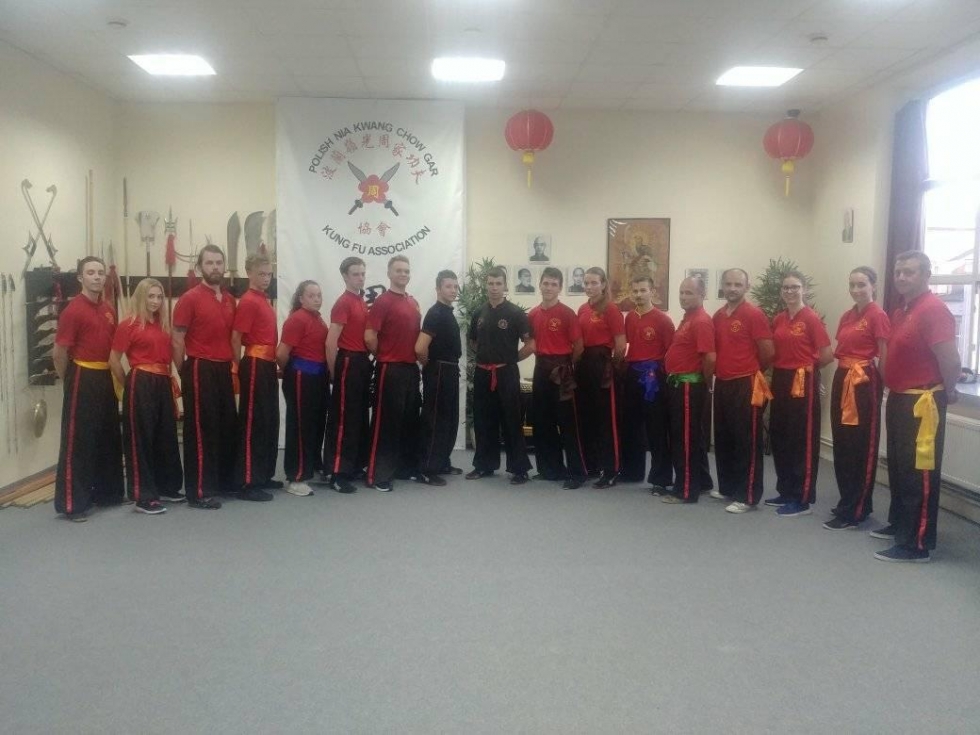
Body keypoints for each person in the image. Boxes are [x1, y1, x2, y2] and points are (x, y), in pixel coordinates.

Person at [873, 252, 960, 563]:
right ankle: (901, 524)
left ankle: (916, 543)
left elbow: (950, 360)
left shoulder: (934, 310)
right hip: (899, 397)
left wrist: (949, 389)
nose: (901, 277)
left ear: (926, 275)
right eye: (898, 272)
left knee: (918, 470)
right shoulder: (902, 310)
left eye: (909, 272)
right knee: (899, 466)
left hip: (923, 401)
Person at [52, 256, 125, 521]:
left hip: (105, 376)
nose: (96, 276)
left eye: (100, 272)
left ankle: (108, 494)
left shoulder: (108, 309)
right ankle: (73, 504)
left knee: (107, 436)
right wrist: (69, 381)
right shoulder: (73, 311)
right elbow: (59, 353)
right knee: (79, 442)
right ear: (80, 278)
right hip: (82, 376)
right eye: (91, 272)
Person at [109, 278, 183, 515]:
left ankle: (167, 486)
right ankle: (143, 497)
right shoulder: (128, 325)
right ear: (141, 297)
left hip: (162, 381)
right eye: (151, 296)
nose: (156, 301)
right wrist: (129, 384)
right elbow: (113, 359)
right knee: (140, 440)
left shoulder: (163, 325)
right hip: (140, 381)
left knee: (166, 435)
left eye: (159, 297)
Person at [172, 244, 237, 509]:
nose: (215, 267)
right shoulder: (189, 299)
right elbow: (177, 340)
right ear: (200, 267)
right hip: (200, 367)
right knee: (202, 430)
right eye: (209, 263)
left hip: (223, 369)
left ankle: (222, 482)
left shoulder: (230, 299)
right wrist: (185, 371)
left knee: (226, 427)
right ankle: (199, 491)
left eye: (219, 262)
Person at [825, 267, 890, 530]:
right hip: (843, 377)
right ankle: (847, 501)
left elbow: (884, 354)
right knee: (842, 443)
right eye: (852, 284)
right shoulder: (847, 315)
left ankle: (857, 509)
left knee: (860, 445)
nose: (856, 290)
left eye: (861, 284)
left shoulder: (878, 315)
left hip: (863, 381)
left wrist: (883, 387)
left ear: (873, 285)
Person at [766, 271, 833, 517]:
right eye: (786, 287)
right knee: (781, 434)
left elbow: (827, 355)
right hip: (781, 378)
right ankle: (786, 491)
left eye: (794, 287)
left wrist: (809, 372)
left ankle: (802, 499)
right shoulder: (779, 319)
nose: (790, 291)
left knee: (801, 439)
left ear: (803, 289)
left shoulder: (811, 318)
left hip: (803, 380)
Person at [711, 268, 774, 513]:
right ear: (722, 286)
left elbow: (767, 352)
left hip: (746, 384)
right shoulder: (718, 316)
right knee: (724, 437)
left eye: (738, 284)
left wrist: (750, 370)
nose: (732, 288)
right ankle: (728, 487)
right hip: (723, 382)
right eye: (728, 284)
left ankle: (747, 496)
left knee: (746, 440)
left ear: (746, 287)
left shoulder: (754, 314)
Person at [467, 266, 535, 484]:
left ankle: (519, 469)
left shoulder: (515, 313)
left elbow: (530, 344)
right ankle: (484, 465)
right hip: (483, 372)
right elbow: (473, 341)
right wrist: (486, 357)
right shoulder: (478, 312)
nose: (494, 287)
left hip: (506, 373)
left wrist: (510, 360)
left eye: (498, 283)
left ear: (505, 286)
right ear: (486, 285)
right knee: (483, 419)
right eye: (490, 283)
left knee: (511, 420)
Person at [365, 255, 426, 491]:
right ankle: (377, 475)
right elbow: (370, 336)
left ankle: (403, 468)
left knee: (409, 421)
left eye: (406, 271)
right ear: (389, 274)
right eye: (399, 270)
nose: (403, 274)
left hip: (411, 369)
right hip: (390, 369)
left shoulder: (413, 302)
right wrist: (384, 356)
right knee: (386, 423)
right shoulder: (383, 301)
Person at [528, 267, 587, 489]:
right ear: (540, 285)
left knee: (568, 423)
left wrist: (566, 365)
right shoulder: (533, 314)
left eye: (554, 284)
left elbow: (579, 346)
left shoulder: (567, 314)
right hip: (540, 369)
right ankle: (549, 469)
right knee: (542, 421)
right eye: (546, 283)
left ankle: (576, 474)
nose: (549, 288)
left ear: (560, 288)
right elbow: (531, 344)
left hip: (562, 370)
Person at [661, 277, 716, 504]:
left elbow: (710, 358)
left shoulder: (701, 321)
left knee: (684, 439)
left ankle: (685, 490)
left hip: (689, 385)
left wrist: (704, 383)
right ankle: (701, 481)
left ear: (702, 295)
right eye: (682, 292)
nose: (683, 297)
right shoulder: (688, 318)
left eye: (689, 293)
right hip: (680, 384)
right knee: (693, 436)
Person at [620, 274, 675, 492]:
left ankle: (661, 479)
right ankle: (632, 472)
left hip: (653, 377)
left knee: (656, 428)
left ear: (652, 292)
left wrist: (660, 375)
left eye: (643, 290)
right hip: (633, 373)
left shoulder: (663, 320)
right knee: (631, 425)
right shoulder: (629, 318)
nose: (639, 295)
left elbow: (671, 352)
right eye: (635, 291)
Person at [232, 253, 279, 502]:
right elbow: (236, 337)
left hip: (268, 364)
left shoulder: (263, 299)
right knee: (253, 423)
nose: (266, 278)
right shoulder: (249, 301)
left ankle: (263, 474)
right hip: (254, 364)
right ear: (249, 273)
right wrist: (236, 367)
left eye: (269, 274)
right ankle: (248, 481)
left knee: (268, 421)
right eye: (261, 274)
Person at [323, 257, 371, 494]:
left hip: (361, 362)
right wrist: (334, 373)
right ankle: (337, 473)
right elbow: (330, 342)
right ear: (344, 276)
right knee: (343, 419)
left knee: (359, 417)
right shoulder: (343, 303)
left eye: (362, 273)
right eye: (355, 274)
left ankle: (352, 466)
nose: (360, 278)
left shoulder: (360, 300)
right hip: (348, 362)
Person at [278, 280, 329, 497]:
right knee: (300, 426)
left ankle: (313, 465)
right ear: (301, 298)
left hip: (318, 377)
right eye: (311, 295)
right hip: (301, 376)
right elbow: (281, 354)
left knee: (316, 424)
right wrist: (292, 372)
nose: (317, 299)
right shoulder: (297, 319)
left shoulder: (318, 319)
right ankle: (296, 477)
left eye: (319, 295)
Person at [576, 266, 626, 488]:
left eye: (594, 283)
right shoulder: (582, 309)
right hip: (584, 364)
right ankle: (592, 465)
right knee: (587, 418)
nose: (589, 287)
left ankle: (611, 470)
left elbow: (621, 345)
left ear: (603, 284)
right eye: (586, 283)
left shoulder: (611, 309)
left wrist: (610, 368)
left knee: (607, 420)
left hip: (603, 366)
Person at [415, 270, 462, 481]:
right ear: (438, 289)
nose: (453, 290)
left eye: (455, 286)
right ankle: (427, 469)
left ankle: (441, 462)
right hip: (439, 370)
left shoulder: (447, 312)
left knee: (449, 419)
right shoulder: (435, 313)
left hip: (450, 369)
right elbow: (420, 348)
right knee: (435, 420)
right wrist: (430, 366)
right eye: (448, 286)